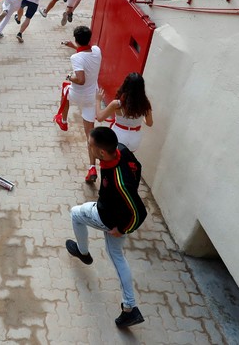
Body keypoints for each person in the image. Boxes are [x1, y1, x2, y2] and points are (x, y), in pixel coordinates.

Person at [65, 127, 147, 329]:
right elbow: (137, 166)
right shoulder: (121, 150)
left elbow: (139, 213)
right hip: (116, 214)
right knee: (117, 257)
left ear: (101, 152)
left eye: (90, 145)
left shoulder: (120, 182)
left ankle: (83, 252)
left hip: (107, 218)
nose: (88, 146)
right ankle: (130, 308)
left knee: (75, 214)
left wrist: (122, 229)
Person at [53, 25, 102, 144]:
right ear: (89, 39)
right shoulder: (97, 50)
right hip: (92, 96)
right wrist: (74, 46)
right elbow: (86, 54)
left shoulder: (75, 58)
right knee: (90, 134)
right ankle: (92, 161)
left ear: (76, 39)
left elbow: (81, 80)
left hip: (77, 94)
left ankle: (63, 121)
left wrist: (70, 77)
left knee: (65, 89)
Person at [95, 73, 153, 154]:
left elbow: (100, 117)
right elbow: (149, 123)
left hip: (118, 136)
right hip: (134, 139)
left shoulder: (117, 104)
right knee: (126, 162)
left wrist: (98, 100)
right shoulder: (145, 103)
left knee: (114, 161)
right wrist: (141, 118)